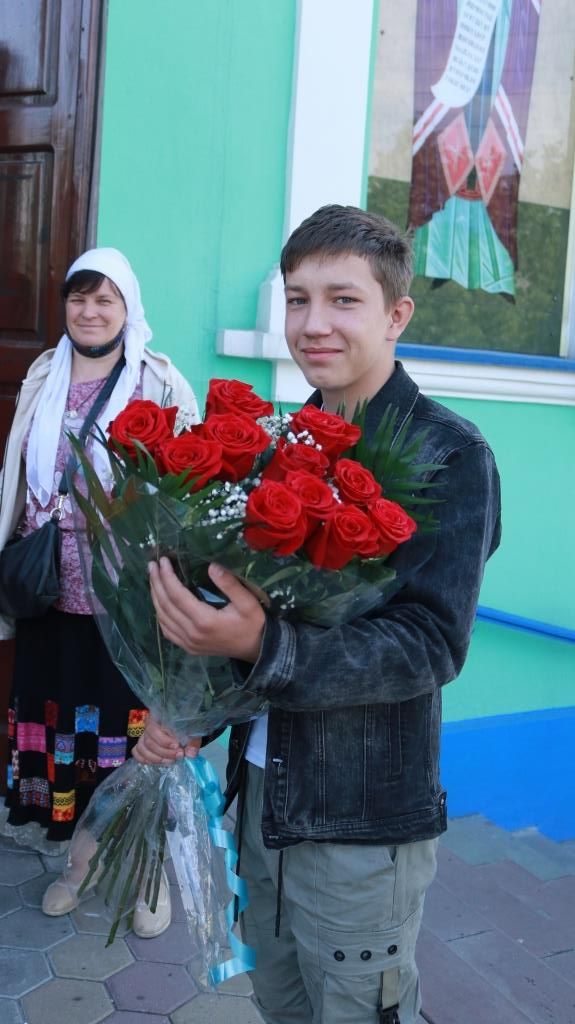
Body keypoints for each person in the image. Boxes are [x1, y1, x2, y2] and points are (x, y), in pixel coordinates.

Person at [133, 205, 502, 1022]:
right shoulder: (278, 444)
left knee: (357, 1008)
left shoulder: (450, 455)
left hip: (359, 820)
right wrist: (187, 708)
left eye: (342, 300)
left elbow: (427, 645)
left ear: (395, 315)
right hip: (262, 801)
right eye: (297, 300)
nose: (312, 323)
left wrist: (265, 645)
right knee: (283, 1001)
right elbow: (240, 603)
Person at [0, 247, 199, 937]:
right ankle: (80, 864)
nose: (89, 311)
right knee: (67, 735)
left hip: (126, 600)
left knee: (134, 742)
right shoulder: (43, 376)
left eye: (104, 299)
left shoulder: (158, 383)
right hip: (50, 593)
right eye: (78, 298)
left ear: (127, 307)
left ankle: (148, 874)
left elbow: (187, 489)